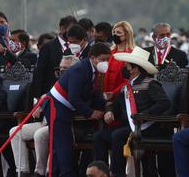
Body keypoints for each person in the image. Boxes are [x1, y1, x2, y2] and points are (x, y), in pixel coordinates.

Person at [96, 46, 170, 177]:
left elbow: (164, 103)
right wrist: (109, 111)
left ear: (135, 69)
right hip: (129, 126)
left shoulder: (150, 84)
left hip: (146, 127)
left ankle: (117, 173)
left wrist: (144, 115)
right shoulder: (126, 86)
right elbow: (115, 104)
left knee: (117, 135)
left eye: (127, 66)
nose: (124, 68)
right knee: (99, 136)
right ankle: (100, 172)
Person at [42, 43, 110, 176]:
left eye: (108, 59)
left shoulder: (92, 70)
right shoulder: (80, 69)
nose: (105, 63)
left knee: (58, 148)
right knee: (64, 147)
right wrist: (90, 113)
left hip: (64, 107)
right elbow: (74, 97)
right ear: (93, 58)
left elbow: (92, 92)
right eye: (102, 59)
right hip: (56, 106)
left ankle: (54, 173)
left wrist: (106, 105)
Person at [10, 55, 79, 177]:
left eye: (65, 68)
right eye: (61, 68)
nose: (62, 71)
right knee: (15, 131)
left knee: (40, 135)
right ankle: (22, 171)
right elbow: (47, 96)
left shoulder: (75, 83)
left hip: (59, 123)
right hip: (44, 121)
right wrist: (41, 103)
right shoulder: (58, 82)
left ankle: (41, 172)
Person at [33, 15, 77, 99]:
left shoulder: (76, 46)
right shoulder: (48, 47)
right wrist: (38, 97)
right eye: (71, 29)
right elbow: (39, 73)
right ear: (62, 29)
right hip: (51, 93)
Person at [103, 21, 135, 97]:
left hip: (122, 94)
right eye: (114, 32)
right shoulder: (110, 52)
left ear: (127, 35)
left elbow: (130, 79)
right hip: (106, 93)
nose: (115, 35)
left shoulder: (132, 54)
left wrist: (114, 93)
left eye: (118, 32)